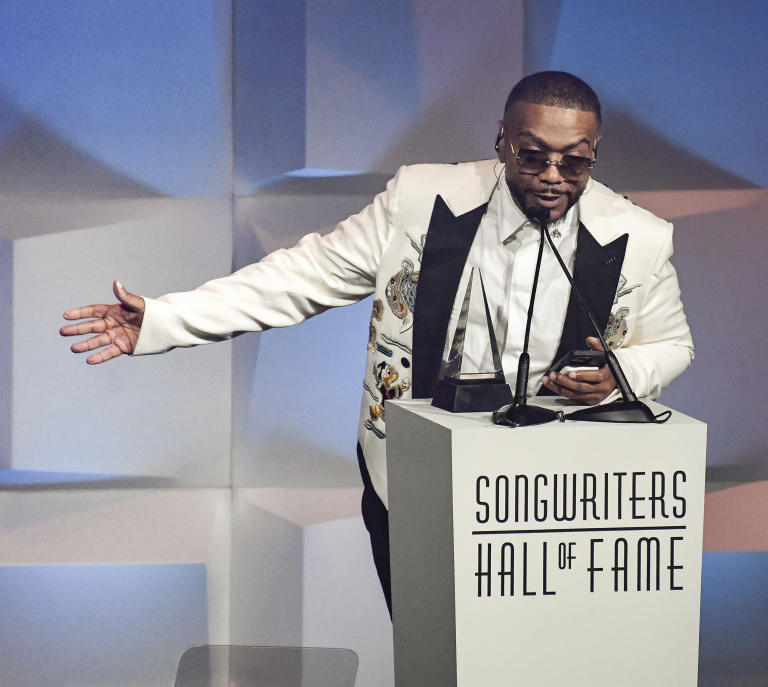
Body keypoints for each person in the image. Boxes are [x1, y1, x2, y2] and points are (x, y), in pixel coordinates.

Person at [60, 71, 694, 614]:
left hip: (556, 500)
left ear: (594, 155)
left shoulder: (638, 236)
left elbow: (672, 344)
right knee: (430, 656)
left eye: (575, 161)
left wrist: (620, 372)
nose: (554, 175)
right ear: (502, 141)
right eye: (533, 155)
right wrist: (167, 318)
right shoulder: (420, 201)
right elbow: (301, 276)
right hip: (413, 477)